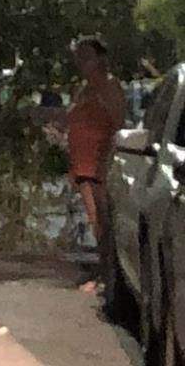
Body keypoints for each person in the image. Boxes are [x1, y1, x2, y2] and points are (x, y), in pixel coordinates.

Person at [62, 35, 125, 248]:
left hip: (101, 165)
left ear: (100, 58)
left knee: (106, 223)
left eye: (87, 56)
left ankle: (108, 273)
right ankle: (102, 272)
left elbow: (118, 124)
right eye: (79, 57)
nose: (82, 61)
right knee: (96, 224)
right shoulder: (82, 89)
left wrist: (106, 161)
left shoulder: (110, 85)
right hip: (82, 166)